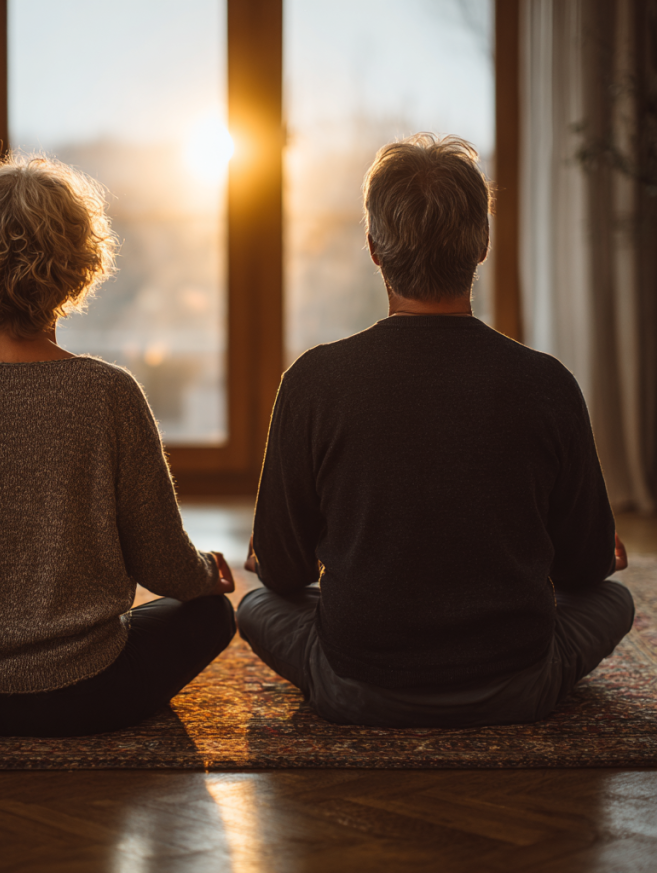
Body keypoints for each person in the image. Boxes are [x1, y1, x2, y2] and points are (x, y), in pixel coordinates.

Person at [237, 133, 634, 728]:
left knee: (257, 607)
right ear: (483, 245)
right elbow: (584, 571)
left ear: (374, 248)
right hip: (517, 687)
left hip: (355, 688)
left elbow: (283, 572)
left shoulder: (313, 381)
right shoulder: (548, 382)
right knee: (615, 600)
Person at [0, 154, 236, 737]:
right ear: (80, 266)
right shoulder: (110, 392)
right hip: (86, 694)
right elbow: (164, 564)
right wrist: (207, 574)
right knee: (211, 616)